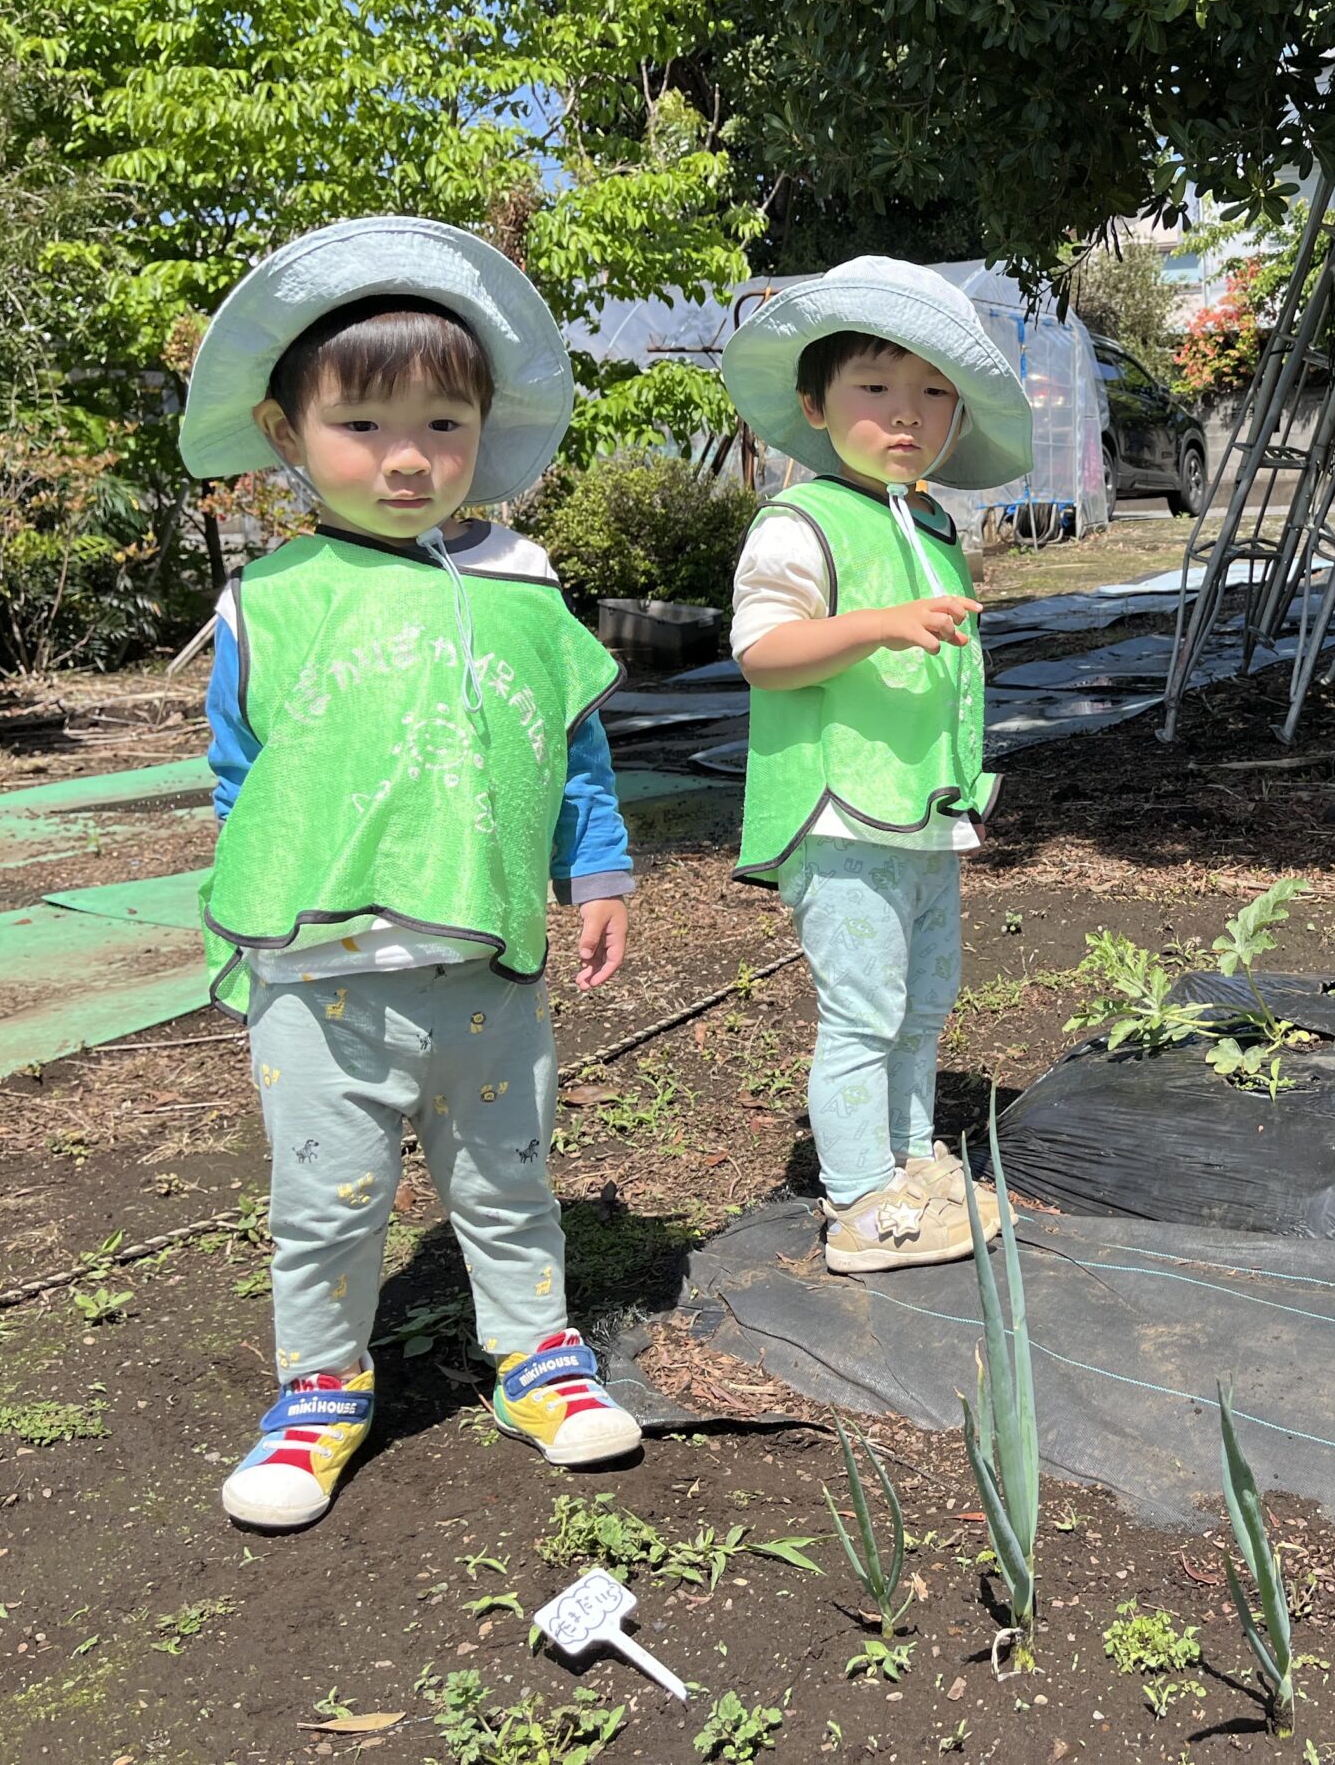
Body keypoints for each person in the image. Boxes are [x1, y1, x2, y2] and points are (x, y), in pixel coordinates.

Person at [183, 216, 644, 1530]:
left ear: (484, 432)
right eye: (365, 426)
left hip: (483, 973)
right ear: (289, 435)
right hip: (319, 979)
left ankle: (536, 1355)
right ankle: (320, 1391)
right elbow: (240, 778)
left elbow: (574, 748)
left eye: (444, 426)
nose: (407, 457)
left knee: (505, 1175)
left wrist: (597, 871)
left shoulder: (521, 585)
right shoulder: (271, 599)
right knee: (327, 1205)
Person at [718, 258, 1032, 1274]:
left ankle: (911, 1158)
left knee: (923, 1000)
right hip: (837, 810)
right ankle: (860, 1201)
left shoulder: (935, 525)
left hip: (921, 810)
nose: (909, 416)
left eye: (934, 394)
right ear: (814, 406)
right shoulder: (798, 522)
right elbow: (764, 655)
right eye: (876, 391)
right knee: (862, 1010)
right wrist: (879, 625)